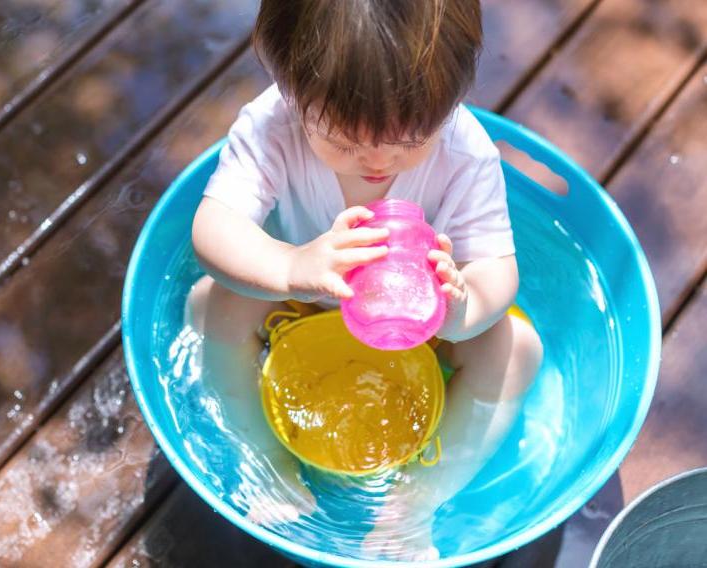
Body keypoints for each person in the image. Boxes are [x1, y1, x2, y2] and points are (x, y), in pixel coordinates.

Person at [186, 0, 543, 560]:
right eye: (346, 142)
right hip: (310, 298)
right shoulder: (271, 125)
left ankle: (413, 508)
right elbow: (214, 228)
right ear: (289, 87)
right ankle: (269, 465)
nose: (378, 161)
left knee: (517, 348)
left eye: (410, 141)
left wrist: (460, 306)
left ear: (449, 101)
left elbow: (498, 269)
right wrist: (292, 268)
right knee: (215, 303)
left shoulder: (463, 149)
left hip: (420, 319)